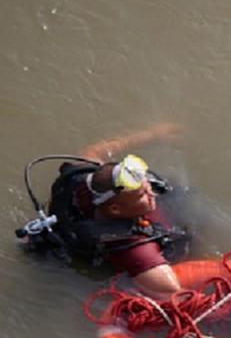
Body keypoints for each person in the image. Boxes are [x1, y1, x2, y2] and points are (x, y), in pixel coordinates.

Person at [46, 123, 189, 298]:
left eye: (147, 187)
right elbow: (171, 288)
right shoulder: (137, 249)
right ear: (115, 209)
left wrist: (151, 134)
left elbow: (92, 152)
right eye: (142, 194)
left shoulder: (86, 184)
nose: (152, 193)